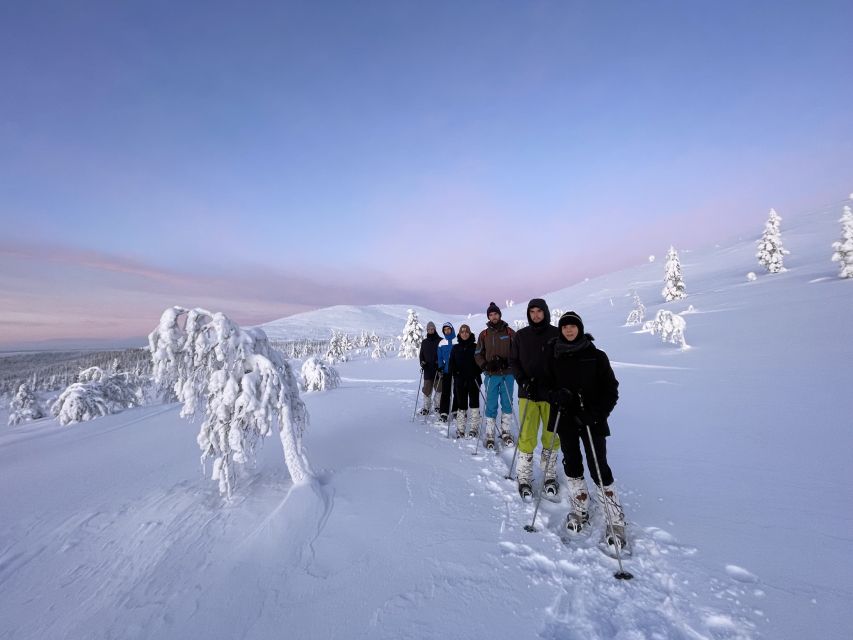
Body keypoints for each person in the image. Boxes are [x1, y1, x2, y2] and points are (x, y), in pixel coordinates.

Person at [544, 311, 627, 549]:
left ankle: (615, 520)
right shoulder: (554, 355)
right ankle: (580, 509)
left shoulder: (596, 356)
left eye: (573, 326)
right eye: (565, 327)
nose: (569, 330)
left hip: (592, 420)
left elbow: (611, 389)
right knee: (572, 464)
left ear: (580, 328)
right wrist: (555, 395)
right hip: (565, 419)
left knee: (598, 466)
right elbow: (545, 386)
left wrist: (597, 413)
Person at [509, 298, 561, 499]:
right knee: (527, 435)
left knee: (551, 435)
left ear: (545, 312)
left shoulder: (556, 333)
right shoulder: (521, 336)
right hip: (528, 394)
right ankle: (524, 476)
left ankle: (549, 475)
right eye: (532, 311)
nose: (536, 315)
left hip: (551, 394)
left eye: (539, 311)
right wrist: (523, 381)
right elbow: (513, 361)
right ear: (528, 314)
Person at [474, 302, 515, 449]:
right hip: (491, 375)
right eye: (491, 315)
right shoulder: (484, 334)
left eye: (495, 314)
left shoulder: (509, 332)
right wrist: (485, 365)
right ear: (488, 317)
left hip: (507, 374)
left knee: (507, 403)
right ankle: (490, 434)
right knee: (491, 404)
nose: (493, 316)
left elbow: (517, 351)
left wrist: (507, 362)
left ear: (499, 314)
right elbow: (478, 353)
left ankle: (506, 432)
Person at [448, 324, 482, 438]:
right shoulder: (455, 348)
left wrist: (477, 371)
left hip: (474, 380)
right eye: (462, 332)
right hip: (460, 381)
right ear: (459, 334)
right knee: (461, 405)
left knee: (474, 404)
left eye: (466, 332)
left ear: (469, 333)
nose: (464, 334)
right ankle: (460, 429)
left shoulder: (476, 346)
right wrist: (455, 373)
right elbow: (451, 363)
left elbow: (481, 362)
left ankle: (474, 429)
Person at [418, 321, 441, 415]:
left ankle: (438, 406)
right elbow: (421, 355)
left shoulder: (440, 341)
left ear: (435, 329)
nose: (431, 330)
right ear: (427, 330)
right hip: (427, 370)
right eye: (429, 329)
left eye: (432, 329)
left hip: (438, 370)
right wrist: (422, 363)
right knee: (427, 390)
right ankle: (426, 407)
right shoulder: (424, 342)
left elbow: (443, 355)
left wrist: (440, 364)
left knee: (439, 390)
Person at [436, 322, 456, 423]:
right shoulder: (441, 343)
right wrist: (440, 367)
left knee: (457, 391)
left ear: (452, 329)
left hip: (457, 371)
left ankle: (456, 410)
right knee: (445, 392)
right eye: (445, 330)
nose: (447, 331)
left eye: (448, 329)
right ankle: (444, 412)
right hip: (447, 371)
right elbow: (439, 357)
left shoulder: (457, 340)